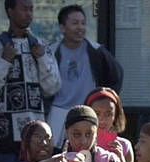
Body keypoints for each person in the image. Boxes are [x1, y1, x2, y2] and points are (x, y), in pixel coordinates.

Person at [0, 0, 60, 162]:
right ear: (10, 11)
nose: (29, 14)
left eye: (31, 9)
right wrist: (4, 61)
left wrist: (42, 58)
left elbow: (53, 87)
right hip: (2, 138)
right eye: (24, 9)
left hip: (34, 140)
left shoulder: (41, 47)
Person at [47, 4, 123, 145]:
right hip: (58, 113)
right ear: (62, 27)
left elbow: (116, 75)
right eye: (75, 23)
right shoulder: (52, 52)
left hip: (86, 112)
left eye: (83, 23)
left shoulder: (97, 51)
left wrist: (104, 103)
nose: (80, 28)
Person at [87, 86, 132, 162]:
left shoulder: (124, 145)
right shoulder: (79, 142)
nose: (102, 119)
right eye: (97, 113)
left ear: (116, 115)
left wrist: (121, 158)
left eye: (108, 114)